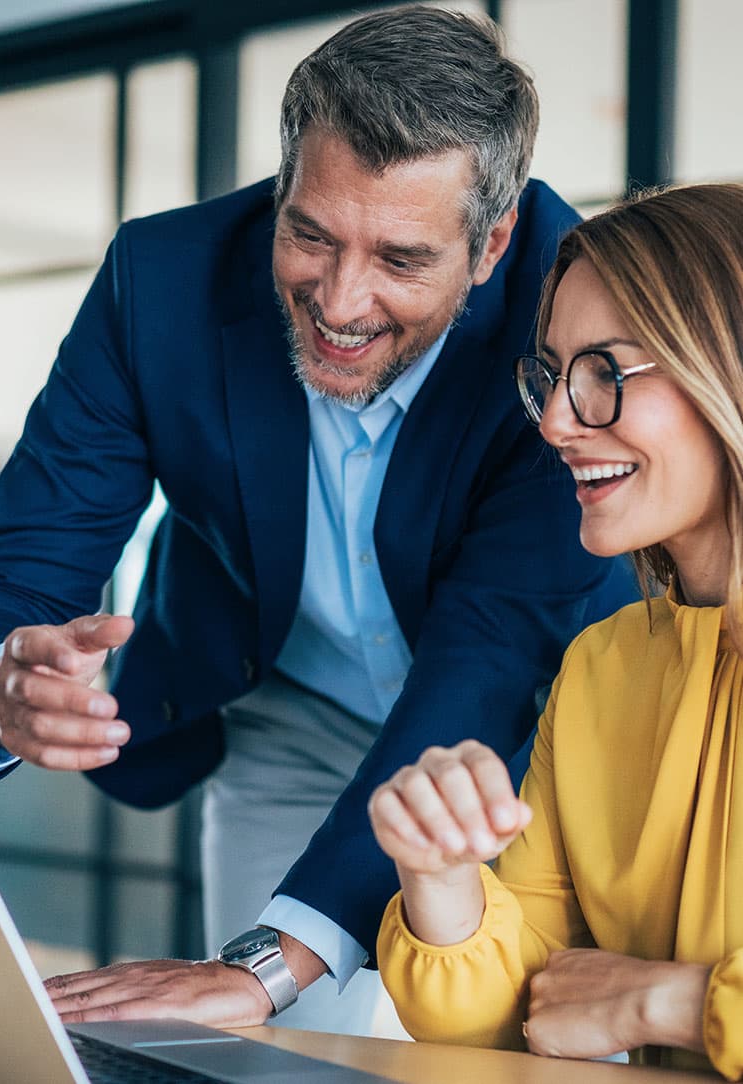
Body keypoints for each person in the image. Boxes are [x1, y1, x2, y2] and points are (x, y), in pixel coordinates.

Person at [0, 6, 633, 1035]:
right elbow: (36, 536)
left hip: (510, 742)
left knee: (500, 1041)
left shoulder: (567, 325)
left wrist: (267, 960)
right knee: (282, 1044)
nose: (340, 302)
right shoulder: (160, 280)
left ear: (490, 246)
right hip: (285, 713)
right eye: (308, 233)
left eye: (399, 259)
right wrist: (2, 681)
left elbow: (486, 662)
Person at [370, 182, 743, 1078]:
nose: (557, 422)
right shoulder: (605, 666)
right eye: (553, 374)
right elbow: (521, 1012)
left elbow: (606, 1007)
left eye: (605, 372)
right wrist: (442, 878)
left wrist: (679, 1004)